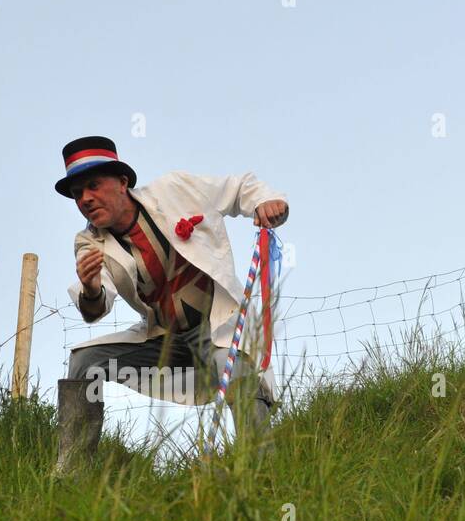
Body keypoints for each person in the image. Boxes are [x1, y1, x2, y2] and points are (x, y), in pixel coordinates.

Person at [53, 135, 289, 473]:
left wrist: (266, 202)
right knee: (85, 361)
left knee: (236, 368)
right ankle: (71, 474)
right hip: (163, 343)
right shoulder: (89, 241)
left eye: (93, 185)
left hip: (215, 328)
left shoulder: (175, 190)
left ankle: (264, 472)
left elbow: (238, 189)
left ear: (122, 183)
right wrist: (90, 289)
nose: (86, 199)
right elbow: (97, 305)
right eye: (78, 194)